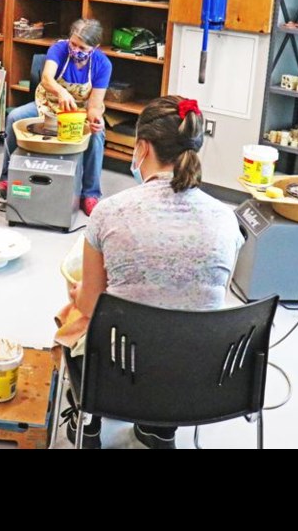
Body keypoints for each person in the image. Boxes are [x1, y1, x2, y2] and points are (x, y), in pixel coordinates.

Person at [57, 96, 244, 448]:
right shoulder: (226, 219)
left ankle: (89, 422)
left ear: (142, 147)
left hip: (120, 369)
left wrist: (77, 293)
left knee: (75, 314)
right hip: (198, 372)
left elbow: (92, 304)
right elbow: (206, 292)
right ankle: (160, 428)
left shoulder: (111, 213)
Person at [0, 19, 111, 216]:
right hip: (48, 105)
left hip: (78, 112)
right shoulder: (59, 49)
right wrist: (61, 93)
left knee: (97, 135)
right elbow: (47, 79)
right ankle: (7, 178)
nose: (76, 49)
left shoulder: (102, 64)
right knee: (14, 117)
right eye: (73, 43)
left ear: (95, 47)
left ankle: (90, 193)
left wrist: (95, 119)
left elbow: (95, 104)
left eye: (82, 47)